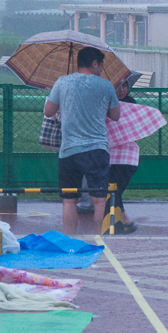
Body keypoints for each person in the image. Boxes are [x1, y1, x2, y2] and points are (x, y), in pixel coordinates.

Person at [44, 46, 120, 235]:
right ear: (95, 63)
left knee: (69, 200)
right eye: (101, 65)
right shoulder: (106, 86)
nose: (101, 69)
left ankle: (70, 239)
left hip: (69, 150)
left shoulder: (62, 82)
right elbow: (116, 116)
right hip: (97, 150)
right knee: (99, 200)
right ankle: (99, 239)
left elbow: (48, 111)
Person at [105, 71, 142, 234]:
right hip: (107, 154)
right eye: (118, 86)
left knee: (116, 188)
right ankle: (120, 222)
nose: (121, 90)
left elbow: (136, 127)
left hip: (127, 155)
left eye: (125, 85)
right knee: (111, 188)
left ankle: (122, 219)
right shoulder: (105, 104)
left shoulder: (131, 103)